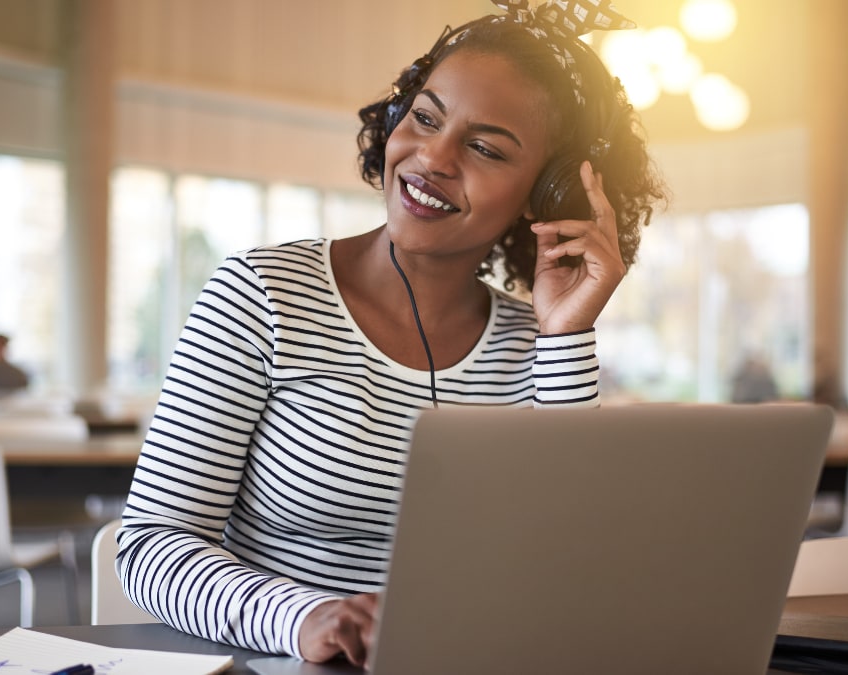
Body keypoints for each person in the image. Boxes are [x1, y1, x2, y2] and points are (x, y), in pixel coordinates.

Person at [117, 0, 667, 665]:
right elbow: (151, 545)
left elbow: (567, 567)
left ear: (545, 197)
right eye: (426, 117)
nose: (432, 156)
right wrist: (309, 617)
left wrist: (567, 335)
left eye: (486, 147)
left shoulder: (541, 346)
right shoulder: (262, 294)